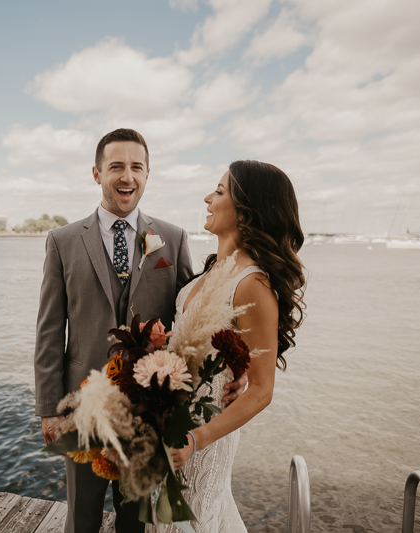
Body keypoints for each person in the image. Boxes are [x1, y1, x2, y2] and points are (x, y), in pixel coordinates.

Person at [34, 129, 247, 533]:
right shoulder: (61, 242)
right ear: (97, 173)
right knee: (82, 515)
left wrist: (238, 363)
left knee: (134, 516)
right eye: (116, 166)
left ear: (148, 174)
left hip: (150, 404)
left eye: (136, 167)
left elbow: (194, 314)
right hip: (81, 404)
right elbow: (48, 331)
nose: (126, 176)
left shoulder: (173, 237)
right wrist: (48, 407)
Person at [150, 160, 306, 533]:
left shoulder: (252, 284)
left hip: (204, 435)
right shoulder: (207, 275)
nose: (208, 198)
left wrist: (196, 438)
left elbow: (262, 390)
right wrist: (159, 344)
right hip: (173, 427)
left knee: (195, 519)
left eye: (219, 192)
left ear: (246, 211)